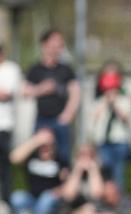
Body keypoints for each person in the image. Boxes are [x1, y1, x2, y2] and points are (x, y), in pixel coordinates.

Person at [23, 29, 79, 159]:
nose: (57, 48)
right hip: (42, 120)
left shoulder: (66, 69)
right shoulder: (35, 69)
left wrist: (68, 114)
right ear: (45, 45)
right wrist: (42, 89)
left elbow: (75, 93)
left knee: (63, 157)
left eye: (60, 45)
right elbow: (25, 91)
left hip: (60, 121)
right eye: (54, 43)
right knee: (39, 156)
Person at [9, 129, 68, 214]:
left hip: (50, 200)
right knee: (17, 197)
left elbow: (66, 183)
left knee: (46, 199)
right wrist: (36, 140)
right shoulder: (32, 157)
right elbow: (14, 158)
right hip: (31, 198)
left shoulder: (60, 160)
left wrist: (59, 191)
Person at [89, 62, 131, 192]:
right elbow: (94, 120)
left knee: (119, 174)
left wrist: (114, 104)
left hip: (119, 141)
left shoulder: (124, 100)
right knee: (105, 172)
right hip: (103, 142)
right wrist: (105, 103)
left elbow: (126, 119)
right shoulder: (98, 101)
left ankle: (118, 198)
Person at [0, 45, 21, 207]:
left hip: (4, 125)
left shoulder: (11, 70)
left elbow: (5, 94)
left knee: (5, 165)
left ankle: (6, 201)